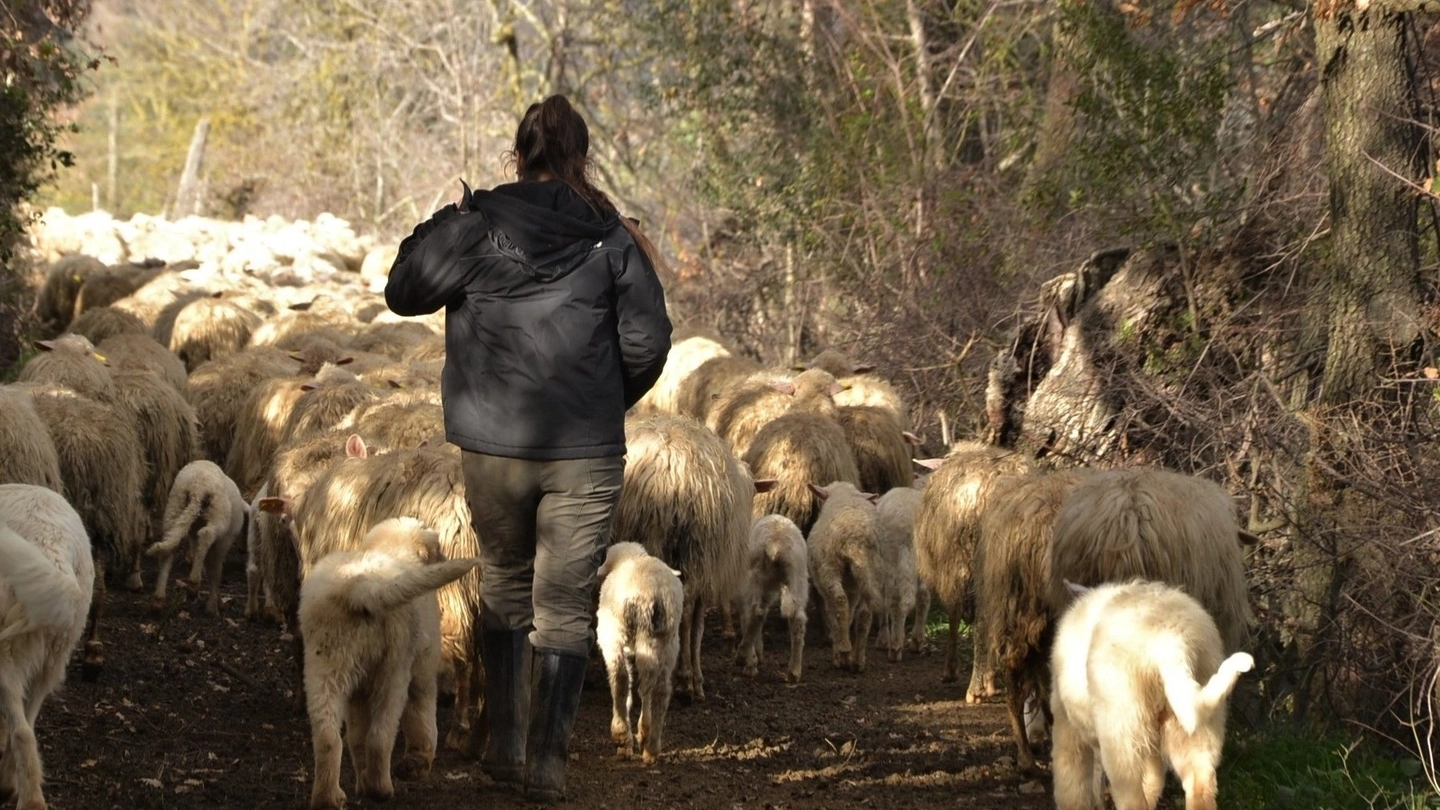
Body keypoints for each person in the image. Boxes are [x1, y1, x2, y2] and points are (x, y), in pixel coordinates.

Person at [384, 94, 672, 803]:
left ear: (518, 155)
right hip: (587, 450)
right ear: (581, 157)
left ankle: (506, 750)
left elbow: (402, 291)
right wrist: (602, 400)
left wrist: (445, 217)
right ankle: (546, 764)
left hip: (494, 445)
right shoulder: (614, 238)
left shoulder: (478, 227)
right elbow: (648, 341)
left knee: (507, 583)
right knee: (567, 604)